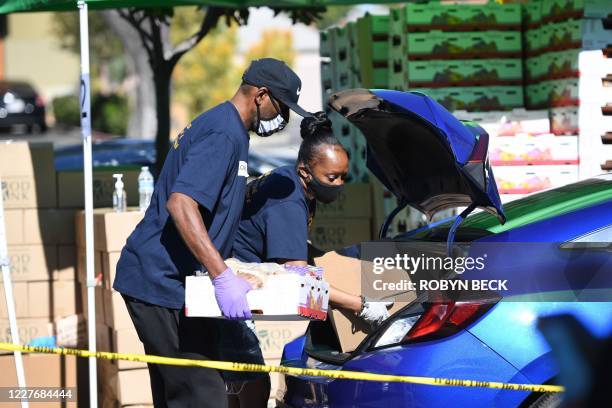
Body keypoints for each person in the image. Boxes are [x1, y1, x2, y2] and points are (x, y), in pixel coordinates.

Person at [112, 58, 312, 408]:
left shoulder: (230, 130)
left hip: (181, 286)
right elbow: (181, 204)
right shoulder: (224, 132)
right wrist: (223, 277)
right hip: (159, 282)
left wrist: (234, 267)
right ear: (261, 96)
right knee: (203, 396)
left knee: (181, 394)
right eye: (281, 108)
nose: (282, 119)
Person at [216, 112, 391, 408]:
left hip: (235, 278)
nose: (339, 184)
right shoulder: (288, 202)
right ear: (306, 170)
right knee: (254, 382)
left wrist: (340, 263)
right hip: (229, 285)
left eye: (343, 176)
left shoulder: (293, 182)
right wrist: (359, 305)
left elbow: (296, 250)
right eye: (331, 177)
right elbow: (297, 278)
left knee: (237, 379)